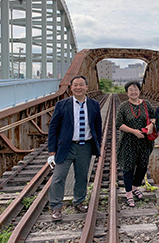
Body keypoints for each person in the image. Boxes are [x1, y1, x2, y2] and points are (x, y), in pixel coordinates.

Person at [47, 75, 102, 221]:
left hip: (86, 146)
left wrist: (98, 146)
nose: (78, 87)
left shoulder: (94, 104)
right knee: (58, 177)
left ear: (86, 87)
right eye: (75, 85)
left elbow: (98, 127)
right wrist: (52, 151)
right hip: (66, 146)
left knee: (82, 177)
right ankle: (56, 207)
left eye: (81, 85)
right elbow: (53, 128)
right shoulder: (62, 104)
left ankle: (78, 201)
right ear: (71, 88)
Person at [116, 81, 156, 207]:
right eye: (130, 90)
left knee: (142, 166)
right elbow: (119, 124)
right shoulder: (123, 106)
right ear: (127, 92)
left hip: (144, 142)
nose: (133, 92)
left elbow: (154, 117)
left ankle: (134, 187)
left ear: (139, 91)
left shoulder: (146, 104)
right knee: (128, 168)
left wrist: (151, 125)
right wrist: (133, 131)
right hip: (128, 142)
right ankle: (128, 194)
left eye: (135, 89)